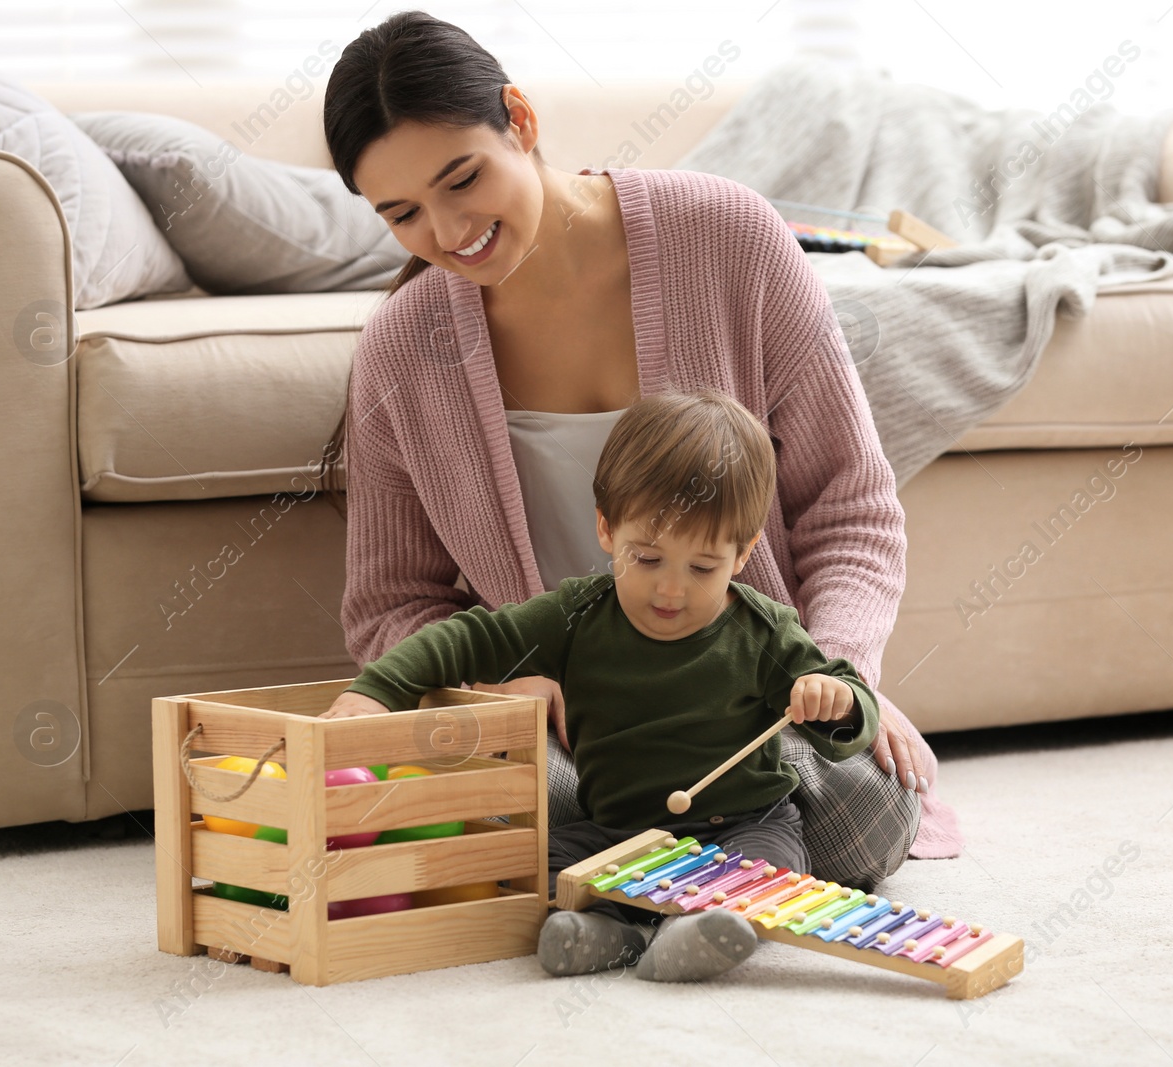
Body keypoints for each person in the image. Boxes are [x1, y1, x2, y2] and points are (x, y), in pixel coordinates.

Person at [316, 10, 961, 888]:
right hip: (573, 734)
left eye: (462, 179)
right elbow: (392, 603)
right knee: (520, 796)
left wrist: (836, 673)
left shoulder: (727, 235)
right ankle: (695, 872)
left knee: (865, 812)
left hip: (748, 710)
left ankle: (648, 874)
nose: (446, 229)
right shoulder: (401, 348)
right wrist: (495, 692)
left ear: (522, 120)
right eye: (402, 214)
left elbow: (849, 506)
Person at [321, 390, 879, 982]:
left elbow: (850, 703)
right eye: (648, 559)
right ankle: (612, 935)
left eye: (701, 568)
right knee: (538, 869)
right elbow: (467, 639)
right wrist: (378, 689)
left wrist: (834, 700)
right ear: (607, 529)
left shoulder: (763, 631)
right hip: (618, 830)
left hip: (742, 825)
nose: (670, 589)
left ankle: (699, 926)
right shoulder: (576, 616)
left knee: (767, 877)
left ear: (741, 556)